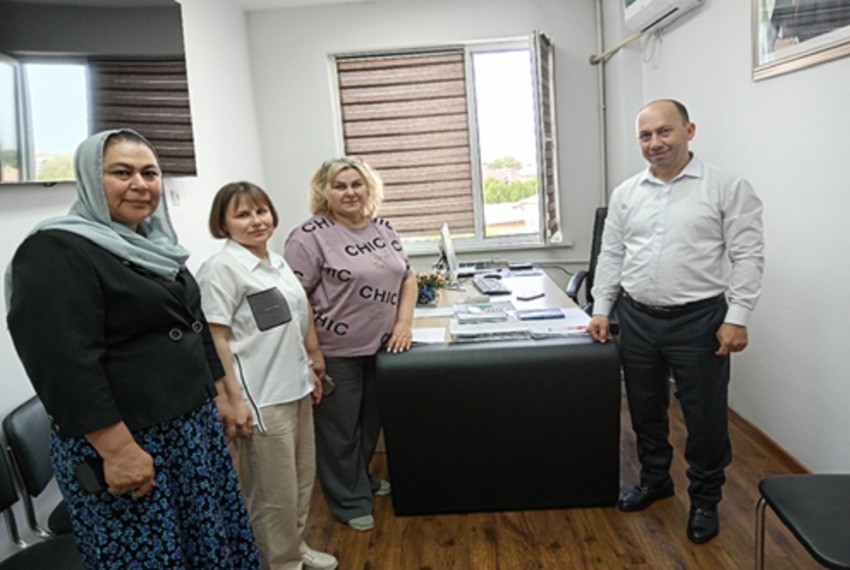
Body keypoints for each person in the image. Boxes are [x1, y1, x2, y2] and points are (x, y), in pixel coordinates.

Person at [4, 129, 260, 568]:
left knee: (209, 546)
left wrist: (220, 395)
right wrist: (118, 451)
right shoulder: (54, 250)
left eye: (150, 173)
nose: (140, 184)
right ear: (90, 179)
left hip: (188, 430)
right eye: (122, 173)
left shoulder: (156, 246)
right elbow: (63, 366)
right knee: (154, 556)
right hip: (129, 441)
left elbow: (193, 325)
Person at [587, 100, 764, 544]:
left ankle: (704, 499)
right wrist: (602, 308)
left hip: (699, 321)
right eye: (645, 135)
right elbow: (612, 254)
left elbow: (747, 256)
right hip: (637, 318)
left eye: (664, 131)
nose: (655, 143)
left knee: (704, 417)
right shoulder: (626, 193)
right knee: (645, 408)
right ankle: (655, 479)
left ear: (689, 130)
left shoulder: (726, 187)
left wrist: (738, 316)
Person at [196, 182, 338, 570]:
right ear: (223, 224)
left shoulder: (274, 261)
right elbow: (215, 338)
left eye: (261, 211)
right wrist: (232, 401)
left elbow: (294, 317)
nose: (256, 221)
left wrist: (309, 363)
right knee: (273, 494)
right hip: (261, 398)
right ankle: (280, 563)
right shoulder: (221, 269)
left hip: (295, 388)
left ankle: (295, 546)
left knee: (301, 481)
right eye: (242, 214)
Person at [283, 157, 417, 532]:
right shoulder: (308, 236)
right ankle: (348, 500)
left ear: (368, 188)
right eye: (339, 186)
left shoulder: (383, 228)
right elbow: (296, 297)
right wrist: (312, 352)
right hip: (335, 350)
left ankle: (360, 479)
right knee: (339, 431)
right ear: (324, 191)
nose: (349, 192)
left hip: (385, 348)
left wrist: (404, 323)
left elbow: (408, 278)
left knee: (370, 423)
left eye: (357, 184)